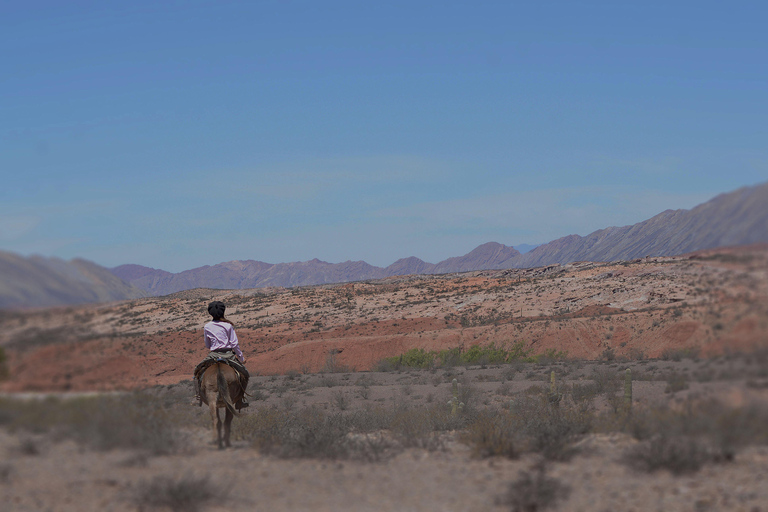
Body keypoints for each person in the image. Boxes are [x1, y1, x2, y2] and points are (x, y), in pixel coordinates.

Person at [192, 301, 250, 408]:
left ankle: (198, 398)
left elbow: (207, 345)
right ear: (223, 311)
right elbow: (234, 343)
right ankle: (239, 401)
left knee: (196, 372)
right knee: (245, 374)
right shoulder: (228, 326)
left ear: (211, 313)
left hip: (213, 354)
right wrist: (241, 357)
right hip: (228, 354)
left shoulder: (207, 326)